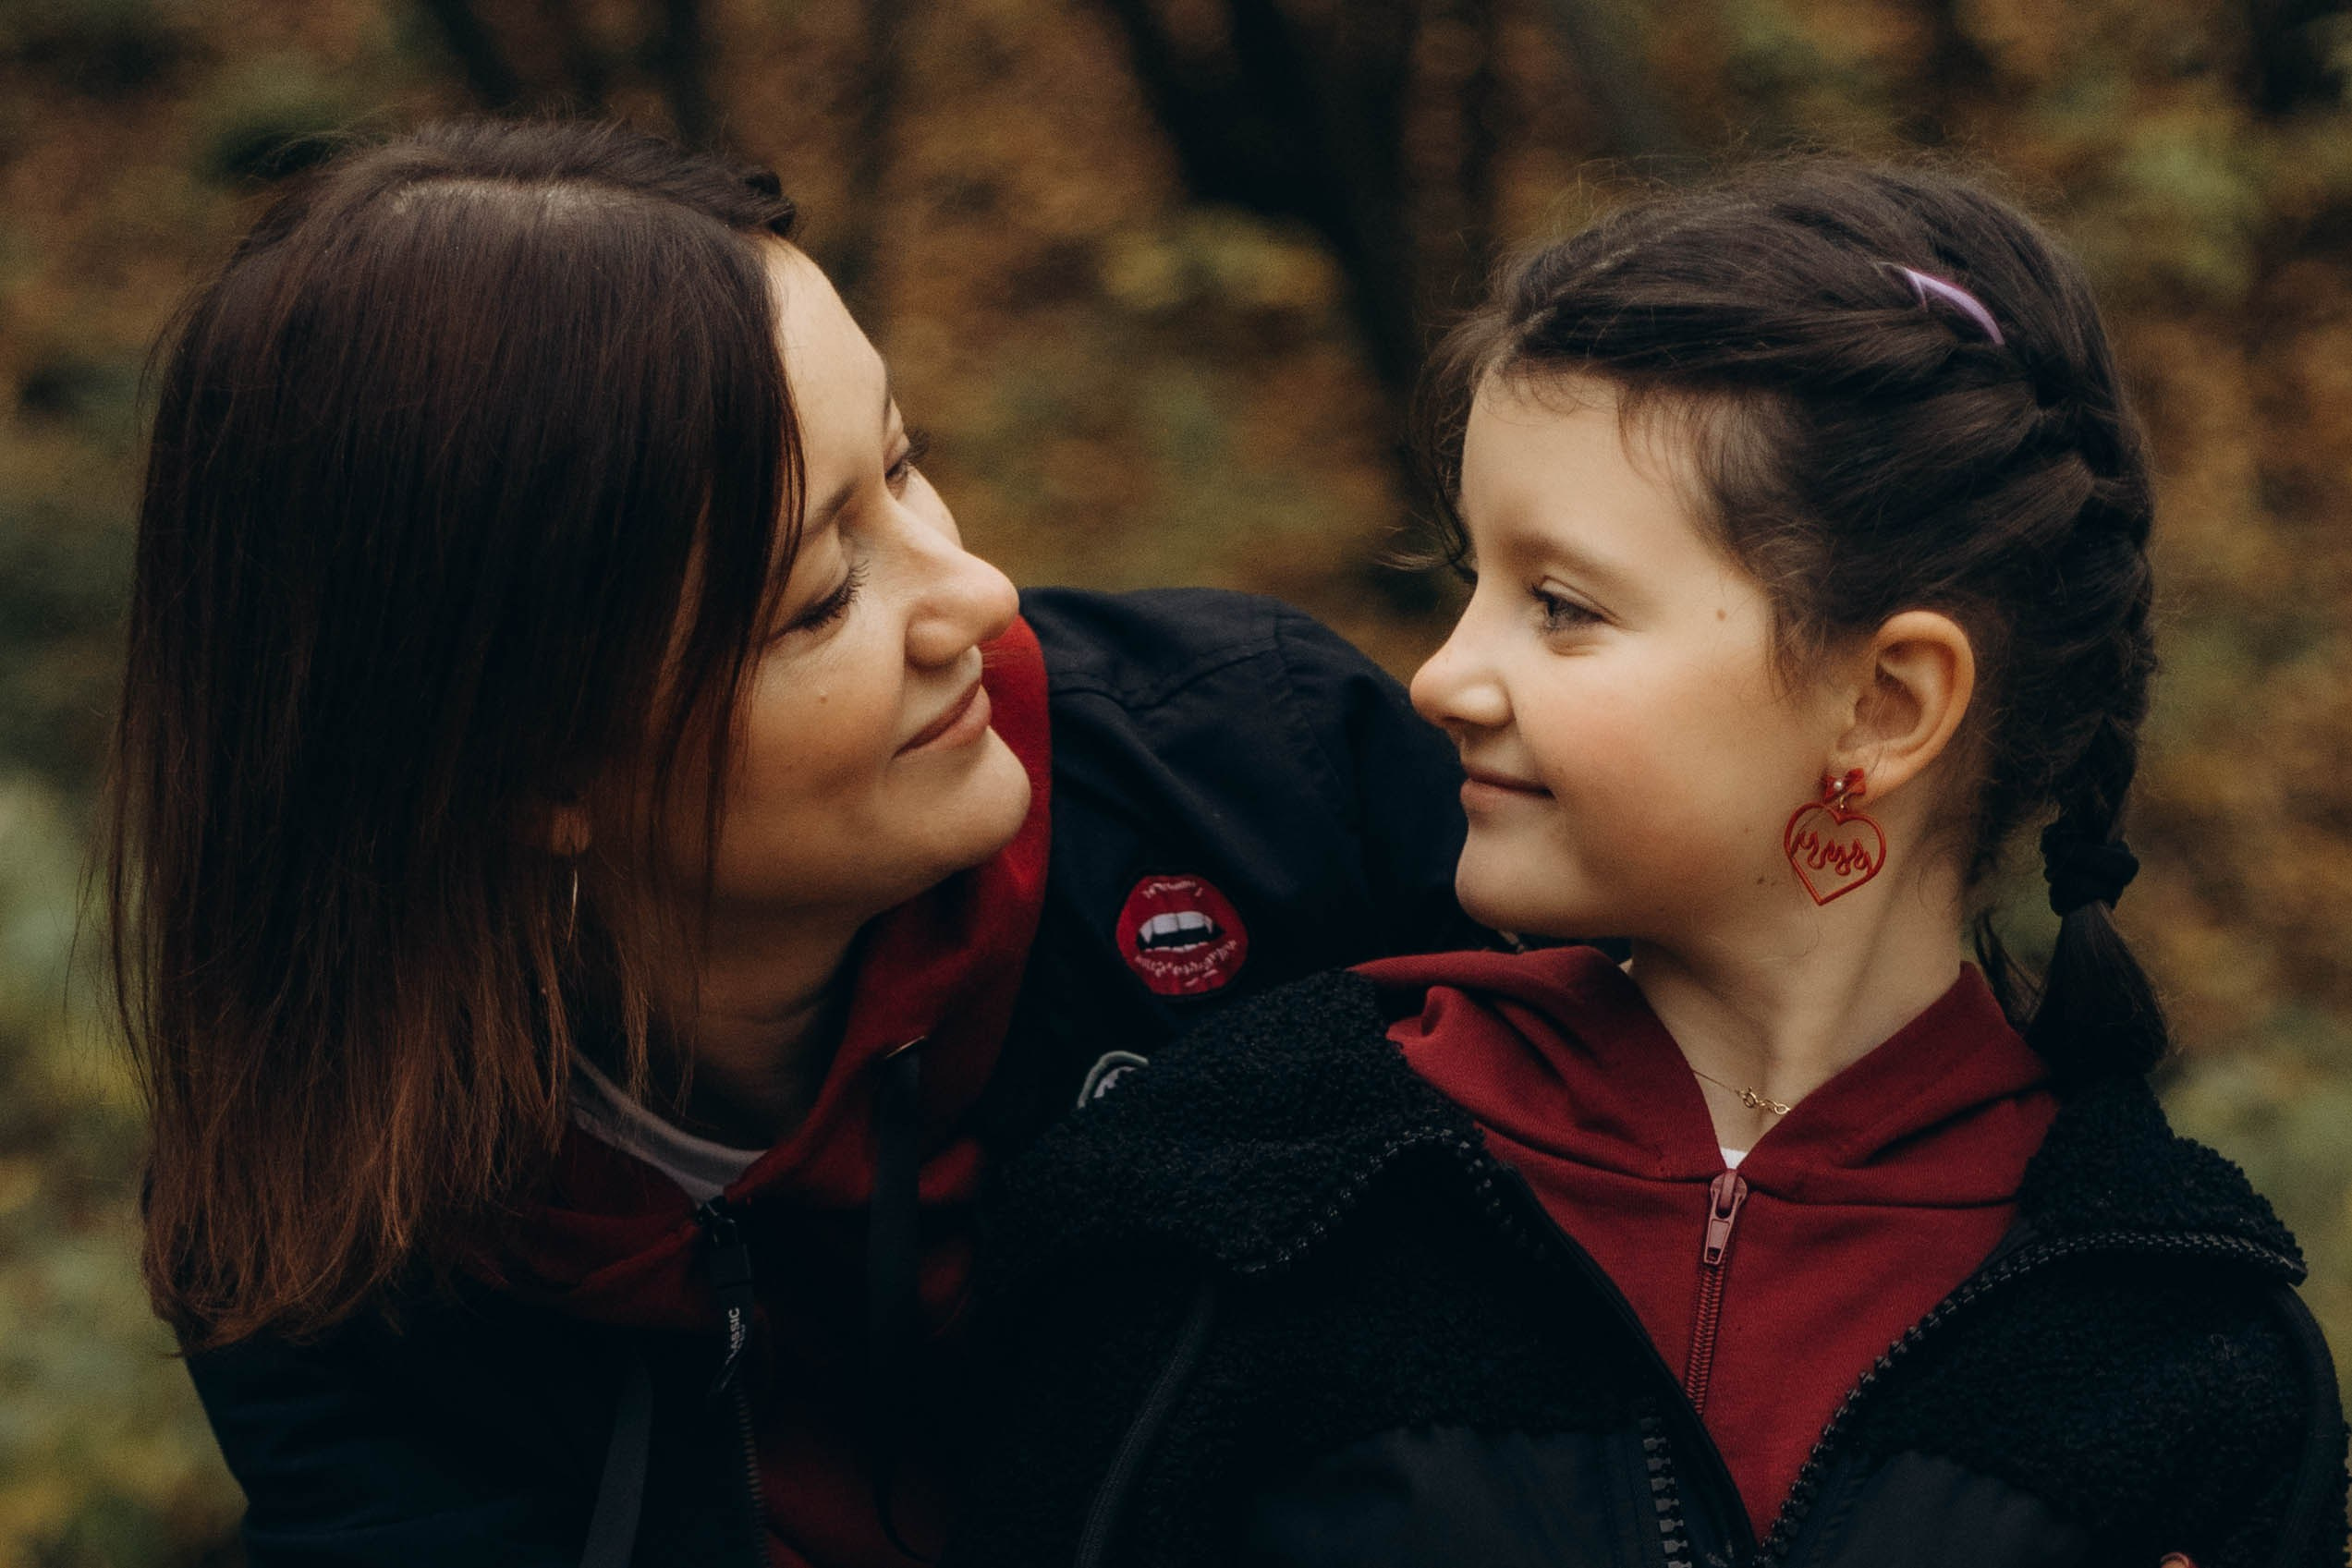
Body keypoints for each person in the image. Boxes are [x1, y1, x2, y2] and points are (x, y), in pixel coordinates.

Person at [101, 118, 1481, 1568]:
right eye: (822, 595)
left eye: (905, 464)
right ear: (524, 773)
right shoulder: (326, 1215)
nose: (977, 595)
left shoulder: (1262, 779)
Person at [949, 158, 2351, 1568]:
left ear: (1884, 705)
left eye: (1559, 606)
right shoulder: (1237, 1203)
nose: (1442, 677)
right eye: (1469, 580)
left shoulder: (2187, 1359)